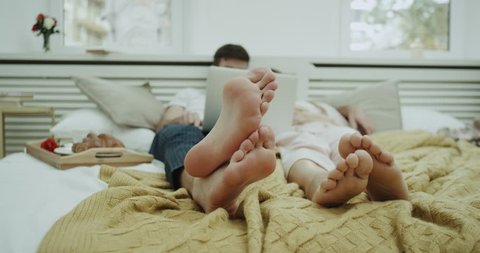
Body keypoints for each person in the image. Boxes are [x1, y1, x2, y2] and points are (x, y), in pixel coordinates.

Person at [149, 43, 279, 215]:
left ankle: (213, 180)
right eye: (228, 70)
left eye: (240, 72)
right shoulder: (190, 94)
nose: (235, 77)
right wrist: (183, 119)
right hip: (189, 132)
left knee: (247, 143)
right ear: (214, 69)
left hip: (224, 142)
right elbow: (162, 125)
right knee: (182, 131)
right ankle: (203, 181)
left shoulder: (253, 100)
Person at [276, 101, 410, 207]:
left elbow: (344, 109)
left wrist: (353, 110)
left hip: (330, 128)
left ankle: (368, 177)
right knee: (302, 154)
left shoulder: (313, 105)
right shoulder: (263, 110)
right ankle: (319, 181)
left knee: (349, 141)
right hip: (294, 133)